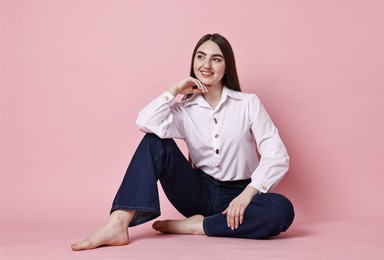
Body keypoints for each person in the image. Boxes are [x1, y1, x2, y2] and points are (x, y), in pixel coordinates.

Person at [71, 33, 294, 251]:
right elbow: (145, 122)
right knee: (154, 141)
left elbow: (277, 156)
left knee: (281, 210)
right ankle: (118, 223)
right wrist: (174, 91)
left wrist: (247, 195)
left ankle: (198, 226)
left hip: (239, 195)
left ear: (227, 66)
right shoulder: (184, 109)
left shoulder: (248, 103)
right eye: (200, 56)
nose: (206, 64)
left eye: (216, 59)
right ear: (193, 62)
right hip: (197, 192)